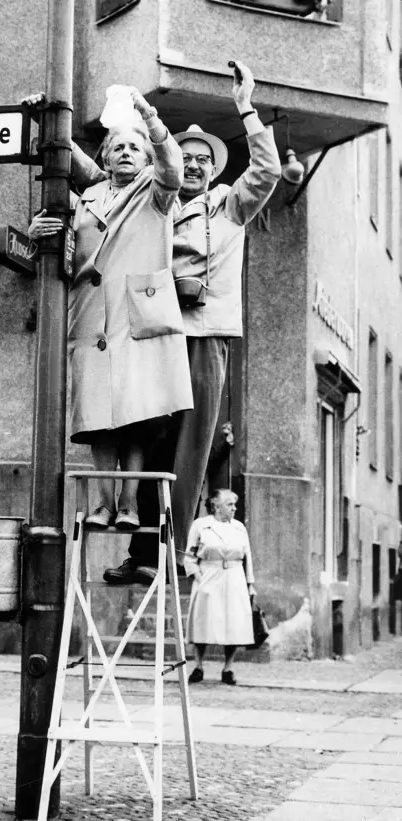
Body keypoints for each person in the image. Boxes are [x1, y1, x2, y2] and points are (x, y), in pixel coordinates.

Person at [103, 60, 281, 584]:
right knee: (149, 439)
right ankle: (139, 552)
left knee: (190, 447)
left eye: (206, 160)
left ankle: (170, 549)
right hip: (157, 334)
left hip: (204, 335)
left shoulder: (228, 205)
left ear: (215, 169)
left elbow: (267, 172)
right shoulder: (153, 201)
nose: (198, 166)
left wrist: (245, 107)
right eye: (191, 158)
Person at [27, 87, 192, 530]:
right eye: (117, 145)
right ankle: (101, 505)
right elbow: (69, 251)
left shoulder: (157, 192)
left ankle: (129, 504)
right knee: (99, 415)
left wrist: (150, 120)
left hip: (134, 312)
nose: (125, 152)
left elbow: (172, 164)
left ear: (146, 158)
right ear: (106, 155)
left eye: (134, 147)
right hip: (90, 311)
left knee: (136, 415)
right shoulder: (90, 197)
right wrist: (42, 235)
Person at [184, 488, 256, 685]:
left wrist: (250, 584)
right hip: (208, 575)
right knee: (203, 621)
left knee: (232, 623)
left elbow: (248, 558)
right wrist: (198, 577)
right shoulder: (201, 525)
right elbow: (189, 556)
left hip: (234, 576)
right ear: (216, 505)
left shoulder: (239, 527)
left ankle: (228, 668)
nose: (234, 508)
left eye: (234, 504)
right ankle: (198, 666)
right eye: (229, 504)